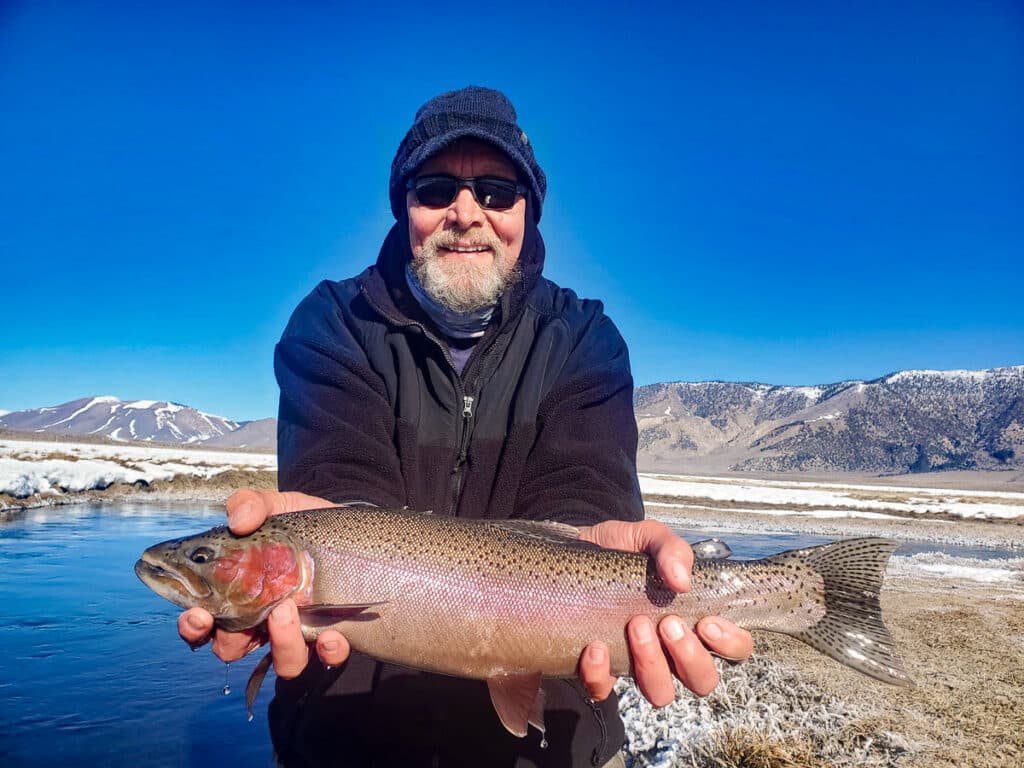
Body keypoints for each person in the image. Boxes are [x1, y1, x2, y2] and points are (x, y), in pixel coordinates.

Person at [178, 86, 752, 767]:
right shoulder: (333, 323)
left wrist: (593, 544)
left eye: (496, 192)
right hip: (350, 728)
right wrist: (320, 542)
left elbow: (585, 495)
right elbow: (341, 491)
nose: (466, 212)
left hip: (553, 727)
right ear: (406, 208)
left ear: (526, 211)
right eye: (436, 189)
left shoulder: (583, 337)